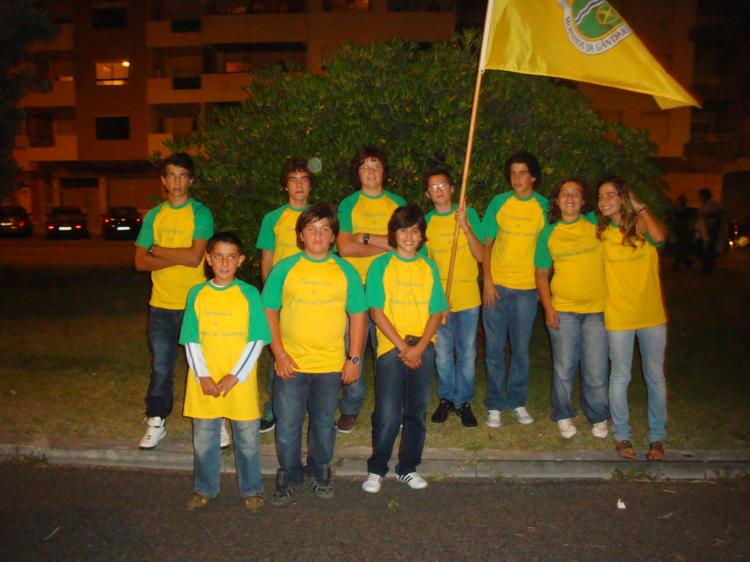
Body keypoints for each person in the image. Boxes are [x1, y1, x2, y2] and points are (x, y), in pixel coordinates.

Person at [262, 204, 366, 505]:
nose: (318, 235)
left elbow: (358, 316)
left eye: (324, 230)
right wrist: (279, 354)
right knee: (287, 423)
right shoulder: (284, 268)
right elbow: (269, 312)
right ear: (300, 235)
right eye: (311, 229)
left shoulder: (345, 270)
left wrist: (354, 359)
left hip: (330, 365)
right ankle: (289, 473)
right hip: (291, 364)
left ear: (333, 236)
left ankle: (320, 469)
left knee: (323, 423)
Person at [179, 232, 271, 511]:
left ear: (240, 260)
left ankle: (252, 488)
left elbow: (257, 339)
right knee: (204, 440)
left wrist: (235, 375)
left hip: (239, 381)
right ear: (208, 258)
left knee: (248, 440)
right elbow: (191, 339)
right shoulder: (197, 294)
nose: (224, 263)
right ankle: (205, 487)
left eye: (231, 257)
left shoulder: (249, 294)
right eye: (218, 256)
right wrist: (203, 375)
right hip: (204, 381)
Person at [362, 205, 448, 494]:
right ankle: (377, 469)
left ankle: (407, 468)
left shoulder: (429, 266)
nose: (409, 236)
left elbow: (437, 311)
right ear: (394, 234)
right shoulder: (381, 265)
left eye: (415, 231)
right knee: (388, 413)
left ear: (422, 236)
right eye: (403, 230)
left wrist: (420, 347)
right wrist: (404, 348)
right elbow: (376, 312)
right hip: (391, 347)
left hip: (423, 346)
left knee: (416, 411)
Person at [134, 152, 215, 449]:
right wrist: (177, 255)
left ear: (190, 181)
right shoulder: (154, 216)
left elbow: (195, 257)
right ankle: (156, 420)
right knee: (161, 367)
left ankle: (214, 419)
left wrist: (157, 250)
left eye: (182, 176)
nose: (177, 182)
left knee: (203, 366)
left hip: (195, 305)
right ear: (164, 181)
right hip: (161, 306)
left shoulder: (201, 213)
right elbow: (140, 262)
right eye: (171, 176)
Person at [596, 176, 668, 461]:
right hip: (619, 316)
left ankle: (657, 438)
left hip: (651, 315)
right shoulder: (600, 234)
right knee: (619, 376)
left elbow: (660, 238)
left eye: (610, 195)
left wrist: (639, 207)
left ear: (623, 198)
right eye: (600, 196)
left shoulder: (642, 227)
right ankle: (622, 436)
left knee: (655, 377)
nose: (604, 201)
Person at [335, 147, 406, 433]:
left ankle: (389, 408)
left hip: (389, 286)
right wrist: (387, 244)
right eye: (365, 166)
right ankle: (351, 406)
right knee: (352, 346)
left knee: (387, 349)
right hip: (355, 285)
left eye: (376, 165)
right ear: (358, 173)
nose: (371, 171)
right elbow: (344, 248)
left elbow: (406, 244)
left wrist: (364, 237)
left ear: (384, 171)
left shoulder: (397, 203)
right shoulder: (348, 204)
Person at [535, 179, 609, 440]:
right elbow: (541, 274)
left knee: (596, 370)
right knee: (564, 368)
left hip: (597, 310)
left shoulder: (596, 224)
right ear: (556, 200)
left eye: (575, 193)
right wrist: (547, 308)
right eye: (564, 193)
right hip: (563, 310)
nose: (569, 198)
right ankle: (563, 414)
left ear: (583, 200)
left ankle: (598, 415)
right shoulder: (548, 233)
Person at [480, 151, 548, 428]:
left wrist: (544, 288)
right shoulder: (499, 202)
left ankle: (517, 401)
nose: (517, 178)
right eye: (513, 173)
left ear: (533, 177)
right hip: (496, 287)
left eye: (522, 173)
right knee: (494, 350)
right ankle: (495, 404)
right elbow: (486, 244)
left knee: (520, 350)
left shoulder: (544, 206)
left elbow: (547, 250)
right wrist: (487, 280)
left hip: (527, 290)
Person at [255, 157, 314, 433]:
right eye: (293, 180)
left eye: (304, 179)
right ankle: (273, 407)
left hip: (313, 298)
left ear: (310, 185)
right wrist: (270, 297)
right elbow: (267, 260)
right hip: (283, 298)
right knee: (278, 351)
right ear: (285, 186)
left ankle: (313, 406)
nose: (298, 185)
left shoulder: (320, 217)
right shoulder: (273, 219)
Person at [423, 169, 484, 427]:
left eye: (443, 186)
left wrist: (465, 227)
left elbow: (481, 255)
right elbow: (424, 266)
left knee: (467, 353)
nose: (439, 190)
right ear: (428, 194)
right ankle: (447, 398)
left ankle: (464, 402)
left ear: (451, 189)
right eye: (433, 187)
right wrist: (437, 300)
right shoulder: (426, 222)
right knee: (443, 354)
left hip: (468, 297)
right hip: (441, 300)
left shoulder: (468, 214)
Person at [695, 187, 726, 273]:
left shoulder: (713, 205)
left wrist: (709, 216)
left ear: (705, 195)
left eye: (701, 196)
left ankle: (708, 266)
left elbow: (719, 214)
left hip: (711, 229)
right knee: (701, 248)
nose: (699, 197)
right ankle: (705, 265)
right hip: (702, 231)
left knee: (710, 248)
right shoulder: (702, 206)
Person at [669, 195, 695, 270]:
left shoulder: (687, 211)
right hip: (676, 230)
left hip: (683, 231)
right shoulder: (675, 210)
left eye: (683, 201)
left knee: (680, 247)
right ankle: (687, 262)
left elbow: (690, 221)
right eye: (680, 201)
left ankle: (678, 264)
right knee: (678, 248)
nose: (681, 202)